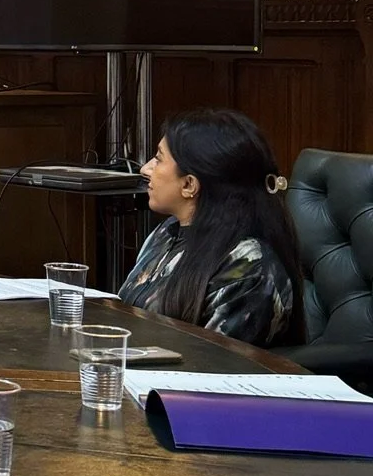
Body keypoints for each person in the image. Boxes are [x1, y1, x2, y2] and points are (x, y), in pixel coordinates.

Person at [120, 109, 303, 346]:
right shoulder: (167, 232)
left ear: (189, 185)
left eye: (158, 158)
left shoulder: (248, 266)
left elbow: (214, 367)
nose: (145, 169)